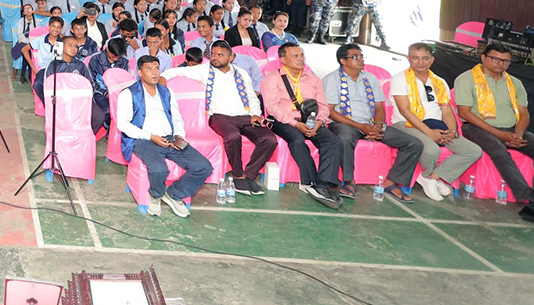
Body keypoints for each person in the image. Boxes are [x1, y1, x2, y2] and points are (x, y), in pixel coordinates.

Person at [163, 41, 273, 195]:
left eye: (220, 55)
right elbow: (176, 72)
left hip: (246, 116)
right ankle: (238, 175)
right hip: (220, 116)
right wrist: (162, 80)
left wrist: (255, 113)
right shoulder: (204, 70)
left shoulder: (241, 73)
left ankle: (249, 176)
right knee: (232, 136)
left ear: (231, 57)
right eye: (213, 54)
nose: (215, 57)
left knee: (269, 139)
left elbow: (251, 96)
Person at [322, 44, 423, 201]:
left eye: (361, 56)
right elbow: (330, 111)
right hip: (345, 123)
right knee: (344, 138)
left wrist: (378, 125)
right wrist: (361, 127)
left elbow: (379, 107)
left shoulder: (370, 78)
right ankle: (349, 181)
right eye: (355, 57)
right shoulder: (331, 79)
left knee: (414, 143)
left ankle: (390, 183)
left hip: (370, 124)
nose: (361, 60)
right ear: (343, 61)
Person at [117, 55, 214, 217]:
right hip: (144, 140)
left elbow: (176, 117)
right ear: (140, 73)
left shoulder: (166, 92)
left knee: (204, 167)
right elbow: (123, 125)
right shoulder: (128, 94)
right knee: (159, 170)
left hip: (170, 138)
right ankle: (156, 195)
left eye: (157, 68)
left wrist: (179, 135)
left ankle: (174, 194)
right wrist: (150, 136)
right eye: (149, 69)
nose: (155, 73)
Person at [389, 43, 482, 202]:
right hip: (405, 124)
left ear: (432, 60)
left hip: (437, 126)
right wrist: (430, 133)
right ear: (408, 58)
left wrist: (451, 132)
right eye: (415, 58)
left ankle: (432, 177)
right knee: (432, 150)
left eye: (425, 58)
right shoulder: (399, 79)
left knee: (473, 151)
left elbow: (446, 110)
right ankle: (428, 177)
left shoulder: (439, 81)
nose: (420, 62)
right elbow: (405, 111)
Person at [454, 43, 534, 220]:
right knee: (498, 149)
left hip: (512, 129)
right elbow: (464, 113)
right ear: (483, 57)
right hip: (476, 127)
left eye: (505, 61)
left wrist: (518, 135)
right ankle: (528, 196)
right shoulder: (467, 79)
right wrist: (500, 135)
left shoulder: (515, 83)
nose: (501, 64)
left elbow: (523, 113)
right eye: (495, 59)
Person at [261, 43, 344, 208]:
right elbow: (272, 107)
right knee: (297, 139)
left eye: (301, 55)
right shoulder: (272, 78)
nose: (300, 59)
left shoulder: (314, 80)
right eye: (295, 56)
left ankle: (322, 185)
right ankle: (311, 182)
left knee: (333, 141)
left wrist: (319, 121)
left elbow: (323, 105)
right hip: (283, 120)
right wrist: (295, 124)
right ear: (283, 59)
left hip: (310, 120)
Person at [88, 37, 129, 134]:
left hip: (117, 93)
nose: (116, 59)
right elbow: (91, 82)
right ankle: (108, 130)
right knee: (108, 110)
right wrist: (105, 93)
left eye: (118, 56)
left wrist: (116, 94)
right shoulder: (95, 59)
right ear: (107, 49)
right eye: (113, 55)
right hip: (99, 92)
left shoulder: (124, 62)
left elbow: (124, 82)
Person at [33, 35, 89, 106]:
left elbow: (88, 83)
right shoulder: (53, 65)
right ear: (61, 47)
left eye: (76, 46)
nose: (73, 48)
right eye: (70, 45)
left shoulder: (80, 64)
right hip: (59, 101)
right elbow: (48, 85)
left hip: (78, 101)